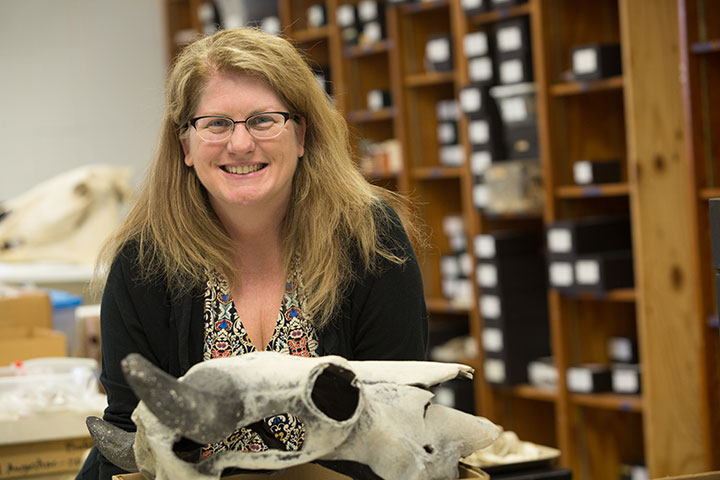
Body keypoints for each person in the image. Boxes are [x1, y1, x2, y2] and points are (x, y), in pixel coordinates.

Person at [76, 26, 428, 479]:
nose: (240, 144)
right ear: (186, 144)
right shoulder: (145, 261)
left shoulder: (370, 240)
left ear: (301, 135)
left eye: (264, 120)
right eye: (216, 124)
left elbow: (395, 419)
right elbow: (129, 436)